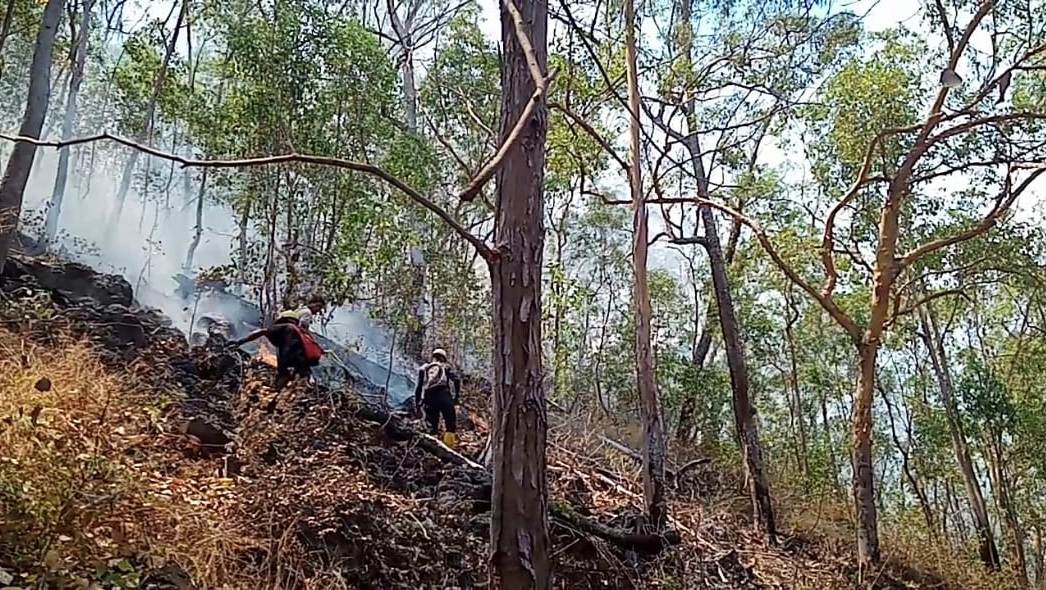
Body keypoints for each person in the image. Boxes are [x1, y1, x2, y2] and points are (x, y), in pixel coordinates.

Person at [231, 298, 326, 391]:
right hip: (300, 359)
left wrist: (241, 341)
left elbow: (261, 332)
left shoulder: (283, 328)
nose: (318, 311)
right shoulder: (295, 330)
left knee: (283, 374)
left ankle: (278, 391)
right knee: (302, 374)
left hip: (286, 360)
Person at [413, 348, 461, 449]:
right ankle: (448, 450)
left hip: (429, 397)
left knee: (432, 425)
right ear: (444, 358)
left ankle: (431, 450)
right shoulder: (445, 367)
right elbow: (457, 380)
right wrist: (456, 397)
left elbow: (419, 387)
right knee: (450, 425)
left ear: (433, 356)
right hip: (444, 396)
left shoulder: (424, 368)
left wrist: (418, 403)